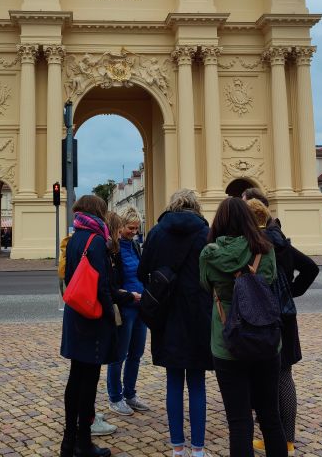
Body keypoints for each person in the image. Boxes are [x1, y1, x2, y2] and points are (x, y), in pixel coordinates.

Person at [200, 197, 287, 457]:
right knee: (271, 417)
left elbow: (205, 286)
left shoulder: (209, 253)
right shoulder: (265, 247)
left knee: (238, 422)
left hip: (228, 342)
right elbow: (269, 279)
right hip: (265, 339)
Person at [138, 189, 213, 457]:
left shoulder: (157, 232)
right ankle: (199, 450)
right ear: (196, 207)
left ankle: (177, 448)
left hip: (166, 313)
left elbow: (141, 270)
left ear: (173, 205)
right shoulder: (206, 233)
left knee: (173, 382)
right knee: (197, 383)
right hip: (198, 314)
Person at [246, 199, 318, 457]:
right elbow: (311, 267)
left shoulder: (256, 244)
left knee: (267, 379)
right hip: (285, 317)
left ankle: (275, 439)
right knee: (283, 376)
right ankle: (285, 440)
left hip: (264, 317)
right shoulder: (281, 241)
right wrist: (292, 292)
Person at [60, 195, 116, 457]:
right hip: (92, 316)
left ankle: (68, 442)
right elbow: (102, 286)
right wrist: (110, 313)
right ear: (99, 211)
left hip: (74, 314)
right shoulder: (96, 241)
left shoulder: (73, 239)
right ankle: (83, 443)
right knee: (88, 382)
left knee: (75, 378)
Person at [106, 207, 149, 417]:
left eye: (136, 228)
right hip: (125, 308)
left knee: (136, 354)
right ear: (121, 226)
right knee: (119, 355)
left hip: (140, 307)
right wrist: (129, 295)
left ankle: (130, 393)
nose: (134, 232)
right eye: (130, 228)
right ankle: (115, 397)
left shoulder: (134, 246)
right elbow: (111, 285)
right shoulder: (112, 249)